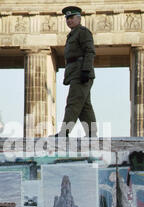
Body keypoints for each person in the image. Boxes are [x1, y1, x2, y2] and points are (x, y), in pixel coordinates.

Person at [53, 6, 97, 137]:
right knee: (84, 106)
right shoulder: (72, 34)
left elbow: (90, 51)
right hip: (75, 73)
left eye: (71, 17)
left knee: (73, 102)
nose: (69, 20)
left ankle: (64, 132)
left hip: (81, 72)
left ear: (79, 18)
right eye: (67, 18)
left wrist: (86, 70)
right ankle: (91, 134)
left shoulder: (83, 32)